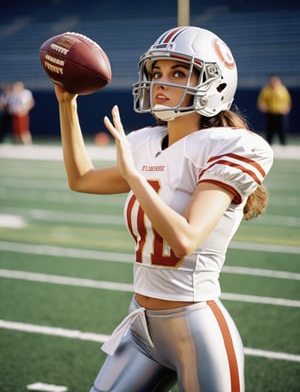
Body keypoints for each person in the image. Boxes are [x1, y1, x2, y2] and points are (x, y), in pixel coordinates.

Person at [54, 26, 273, 392]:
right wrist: (67, 103)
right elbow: (82, 178)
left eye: (177, 72)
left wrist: (134, 178)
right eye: (156, 73)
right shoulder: (147, 143)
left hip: (196, 327)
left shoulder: (231, 146)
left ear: (215, 84)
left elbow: (185, 238)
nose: (160, 82)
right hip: (141, 325)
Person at [257, 75, 292, 145]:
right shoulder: (266, 89)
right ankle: (269, 143)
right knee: (270, 129)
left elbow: (287, 100)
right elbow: (261, 100)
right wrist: (262, 105)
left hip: (280, 113)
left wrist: (286, 107)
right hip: (270, 112)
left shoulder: (282, 89)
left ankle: (283, 143)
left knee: (281, 129)